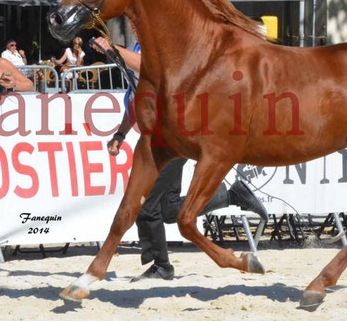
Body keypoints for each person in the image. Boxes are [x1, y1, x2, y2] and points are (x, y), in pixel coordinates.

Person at [94, 36, 268, 281]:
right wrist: (121, 134)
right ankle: (232, 195)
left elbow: (149, 66)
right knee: (168, 210)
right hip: (159, 140)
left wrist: (115, 50)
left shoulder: (158, 41)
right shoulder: (136, 45)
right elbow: (135, 100)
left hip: (173, 138)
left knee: (146, 205)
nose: (133, 24)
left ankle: (162, 266)